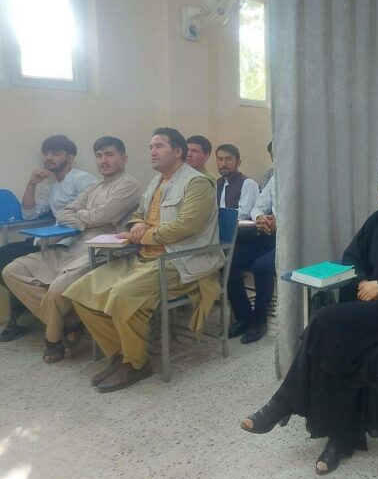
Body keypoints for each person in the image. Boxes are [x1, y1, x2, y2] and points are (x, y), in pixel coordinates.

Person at [240, 154, 378, 475]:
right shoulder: (377, 220)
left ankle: (284, 402)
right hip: (367, 311)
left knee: (324, 322)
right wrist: (362, 279)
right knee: (346, 349)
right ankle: (340, 439)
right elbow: (352, 256)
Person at [63, 128, 222, 393]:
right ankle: (121, 354)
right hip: (144, 257)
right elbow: (138, 214)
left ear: (178, 151)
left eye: (159, 146)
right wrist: (137, 225)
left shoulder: (197, 183)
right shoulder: (156, 182)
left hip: (178, 262)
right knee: (80, 291)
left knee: (122, 295)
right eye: (151, 147)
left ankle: (137, 364)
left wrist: (144, 235)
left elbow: (187, 226)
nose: (152, 152)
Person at [3, 137, 142, 362]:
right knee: (12, 271)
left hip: (101, 249)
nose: (103, 160)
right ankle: (68, 320)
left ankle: (53, 339)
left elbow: (102, 217)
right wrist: (86, 219)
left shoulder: (129, 184)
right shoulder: (97, 186)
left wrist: (82, 217)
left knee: (57, 290)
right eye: (99, 155)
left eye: (109, 154)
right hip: (74, 244)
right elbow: (66, 213)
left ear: (123, 158)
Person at [0, 135, 97, 342]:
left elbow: (93, 217)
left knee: (10, 263)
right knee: (2, 257)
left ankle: (31, 317)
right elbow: (29, 215)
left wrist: (56, 236)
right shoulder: (49, 185)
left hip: (70, 242)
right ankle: (65, 317)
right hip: (47, 239)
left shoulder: (82, 179)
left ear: (70, 157)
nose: (49, 158)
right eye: (47, 153)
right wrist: (32, 184)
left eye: (56, 153)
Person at [226, 173, 276, 343]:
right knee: (229, 260)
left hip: (293, 238)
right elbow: (258, 207)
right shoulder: (276, 178)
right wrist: (261, 217)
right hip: (270, 234)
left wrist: (281, 221)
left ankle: (260, 320)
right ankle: (243, 316)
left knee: (262, 266)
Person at [215, 144, 259, 219]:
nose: (223, 164)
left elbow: (244, 214)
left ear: (238, 162)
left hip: (241, 229)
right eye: (220, 159)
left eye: (228, 159)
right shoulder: (217, 183)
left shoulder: (248, 183)